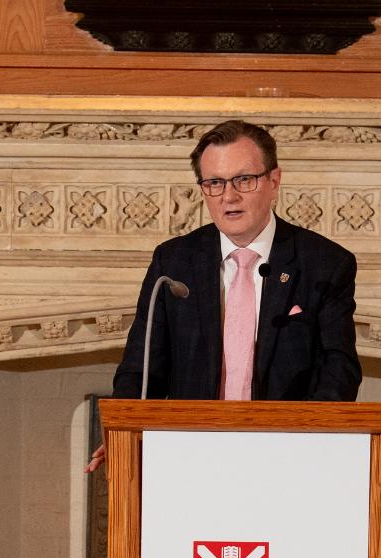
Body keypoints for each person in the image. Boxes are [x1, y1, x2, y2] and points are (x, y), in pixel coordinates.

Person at [88, 121, 360, 470]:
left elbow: (339, 369)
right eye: (215, 183)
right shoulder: (174, 262)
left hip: (288, 457)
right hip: (190, 456)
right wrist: (122, 431)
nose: (229, 196)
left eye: (244, 180)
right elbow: (140, 370)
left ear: (274, 181)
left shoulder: (324, 264)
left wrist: (308, 444)